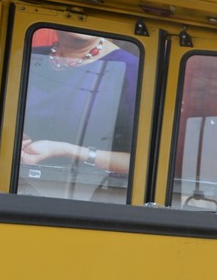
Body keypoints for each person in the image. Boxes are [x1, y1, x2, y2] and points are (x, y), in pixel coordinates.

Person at [18, 29, 140, 183]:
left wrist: (64, 150)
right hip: (17, 181)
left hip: (92, 191)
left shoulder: (131, 69)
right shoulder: (28, 57)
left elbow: (140, 162)